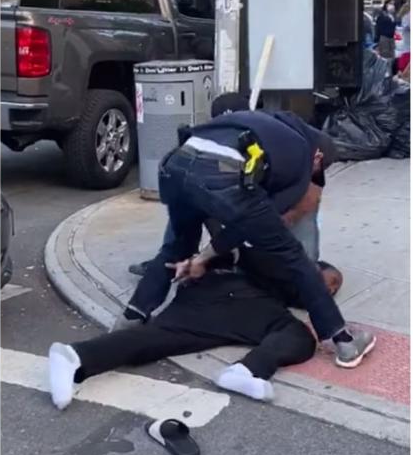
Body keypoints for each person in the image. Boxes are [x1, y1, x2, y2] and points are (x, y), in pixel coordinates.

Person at [118, 104, 375, 369]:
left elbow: (245, 216)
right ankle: (343, 341)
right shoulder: (300, 157)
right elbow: (253, 223)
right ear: (318, 156)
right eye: (319, 170)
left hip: (175, 166)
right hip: (221, 174)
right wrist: (214, 253)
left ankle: (132, 316)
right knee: (295, 258)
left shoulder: (264, 124)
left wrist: (203, 257)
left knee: (176, 247)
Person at [49, 251, 343, 409]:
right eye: (330, 280)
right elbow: (238, 252)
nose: (329, 289)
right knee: (300, 335)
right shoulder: (288, 262)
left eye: (334, 289)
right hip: (231, 292)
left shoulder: (295, 290)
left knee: (156, 340)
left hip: (232, 307)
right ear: (313, 267)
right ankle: (248, 371)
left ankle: (76, 356)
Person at [129, 92, 325, 276]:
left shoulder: (286, 137)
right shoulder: (211, 143)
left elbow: (310, 196)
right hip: (240, 201)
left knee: (300, 218)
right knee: (186, 199)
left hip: (276, 202)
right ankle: (169, 261)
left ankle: (304, 270)